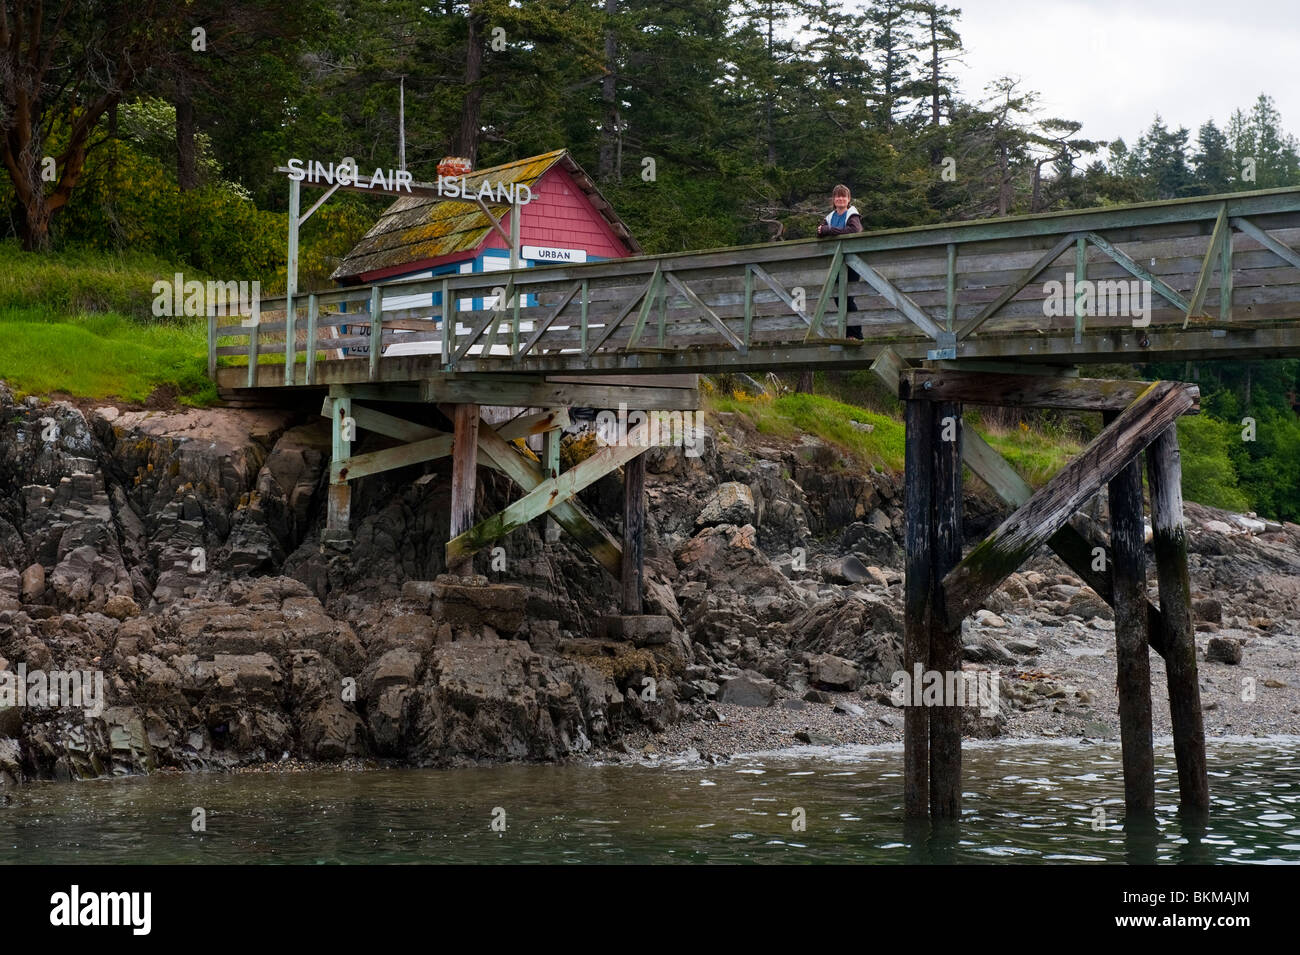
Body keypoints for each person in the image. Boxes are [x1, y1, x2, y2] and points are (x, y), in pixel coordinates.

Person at [816, 184, 864, 339]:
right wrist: (826, 231)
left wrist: (830, 231)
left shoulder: (852, 214)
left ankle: (856, 335)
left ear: (848, 199)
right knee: (838, 297)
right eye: (837, 196)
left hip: (852, 261)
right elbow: (819, 232)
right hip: (836, 262)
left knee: (848, 297)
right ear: (833, 199)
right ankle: (846, 333)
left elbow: (854, 230)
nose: (840, 199)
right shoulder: (830, 217)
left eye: (843, 196)